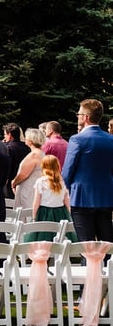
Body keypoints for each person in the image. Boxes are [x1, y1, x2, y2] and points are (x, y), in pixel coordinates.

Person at [61, 98, 113, 243]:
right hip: (106, 195)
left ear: (86, 117)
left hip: (82, 196)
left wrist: (68, 191)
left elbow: (67, 171)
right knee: (107, 242)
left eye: (79, 114)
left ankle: (90, 266)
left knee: (86, 243)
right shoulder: (110, 140)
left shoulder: (77, 139)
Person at [26, 155, 73, 242]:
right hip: (60, 212)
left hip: (44, 212)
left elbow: (36, 201)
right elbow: (67, 200)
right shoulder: (63, 182)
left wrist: (34, 216)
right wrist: (70, 213)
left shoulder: (41, 182)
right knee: (61, 234)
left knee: (42, 236)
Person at [10, 128, 45, 211]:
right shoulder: (42, 153)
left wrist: (14, 182)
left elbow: (23, 174)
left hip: (28, 189)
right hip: (35, 188)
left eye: (26, 137)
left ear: (31, 141)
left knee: (25, 212)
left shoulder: (34, 155)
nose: (25, 138)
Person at [3, 123, 30, 199]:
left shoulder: (8, 148)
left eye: (5, 134)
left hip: (11, 183)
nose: (4, 137)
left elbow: (8, 166)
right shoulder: (26, 147)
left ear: (10, 135)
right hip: (24, 181)